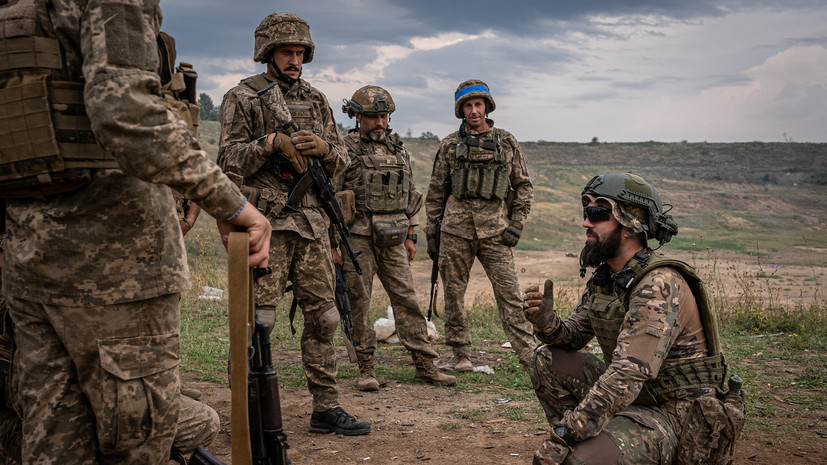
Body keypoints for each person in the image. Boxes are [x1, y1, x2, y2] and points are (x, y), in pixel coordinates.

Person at [0, 1, 272, 463]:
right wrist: (231, 203)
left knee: (53, 443)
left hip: (31, 258)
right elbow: (124, 111)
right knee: (139, 441)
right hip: (118, 266)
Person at [523, 173, 744, 464]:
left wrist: (567, 434)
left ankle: (598, 445)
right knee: (546, 359)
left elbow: (627, 374)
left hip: (674, 414)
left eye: (598, 213)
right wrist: (546, 323)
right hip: (636, 398)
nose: (586, 223)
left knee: (574, 461)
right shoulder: (610, 278)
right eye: (585, 211)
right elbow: (573, 337)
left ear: (630, 224)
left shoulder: (658, 285)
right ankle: (601, 438)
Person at [218, 12, 370, 436]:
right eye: (286, 51)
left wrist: (324, 147)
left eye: (300, 52)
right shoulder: (242, 97)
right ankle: (249, 411)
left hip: (313, 224)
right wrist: (271, 143)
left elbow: (345, 160)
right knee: (258, 323)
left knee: (325, 318)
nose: (294, 59)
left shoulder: (317, 100)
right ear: (268, 53)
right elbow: (226, 160)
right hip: (266, 225)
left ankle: (326, 407)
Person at [336, 86, 457, 390]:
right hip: (357, 238)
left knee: (407, 300)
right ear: (358, 117)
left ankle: (425, 364)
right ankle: (366, 368)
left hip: (393, 236)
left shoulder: (398, 150)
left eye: (383, 116)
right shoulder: (344, 149)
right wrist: (332, 244)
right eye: (372, 116)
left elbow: (409, 194)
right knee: (359, 302)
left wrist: (411, 234)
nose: (379, 122)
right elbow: (331, 197)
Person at [424, 79, 536, 371]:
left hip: (496, 230)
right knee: (453, 295)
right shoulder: (450, 144)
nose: (474, 111)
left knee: (510, 295)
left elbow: (523, 186)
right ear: (460, 110)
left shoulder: (506, 141)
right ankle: (461, 353)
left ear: (487, 106)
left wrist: (517, 224)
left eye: (478, 105)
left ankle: (529, 356)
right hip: (455, 230)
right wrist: (431, 231)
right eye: (468, 106)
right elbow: (436, 191)